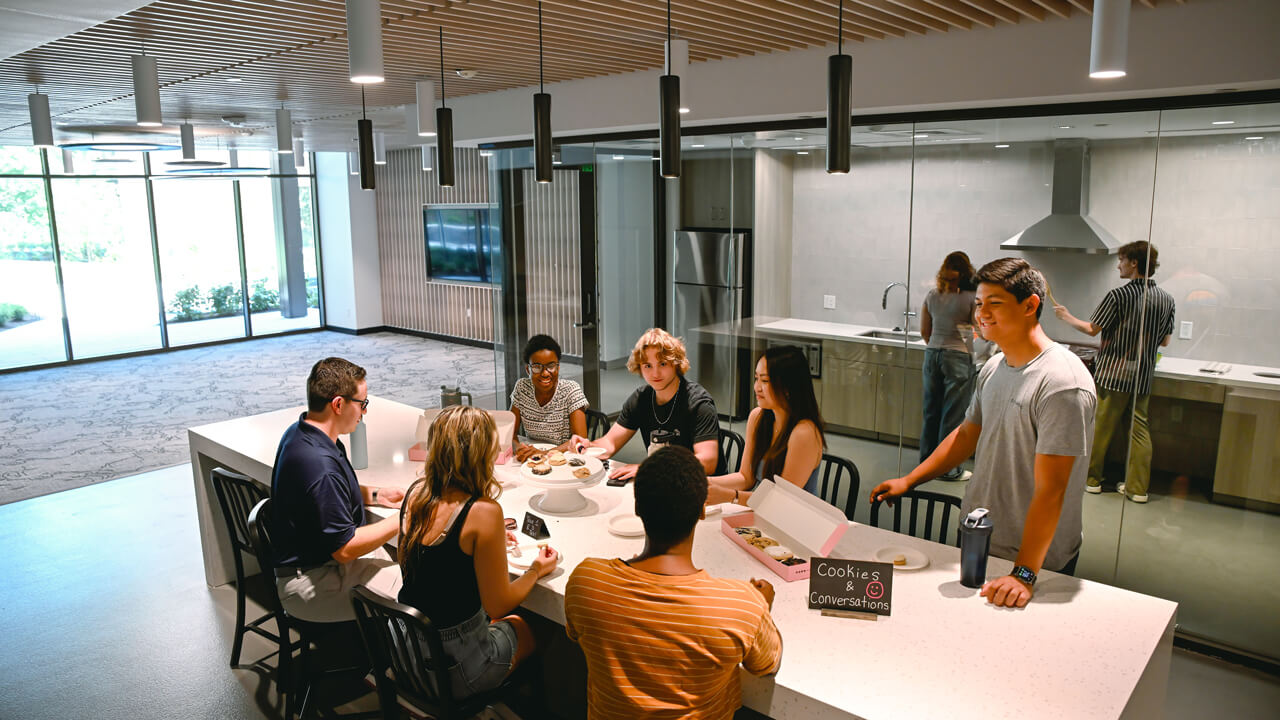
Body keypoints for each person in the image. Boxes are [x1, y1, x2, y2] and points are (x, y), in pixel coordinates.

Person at [870, 258, 1096, 609]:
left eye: (995, 304)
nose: (982, 313)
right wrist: (911, 480)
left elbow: (1052, 490)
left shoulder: (1062, 383)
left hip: (1034, 561)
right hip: (981, 537)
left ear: (1030, 306)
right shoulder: (995, 366)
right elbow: (965, 435)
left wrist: (1024, 573)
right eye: (979, 303)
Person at [564, 446, 782, 719]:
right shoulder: (741, 605)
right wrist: (762, 607)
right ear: (703, 510)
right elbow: (768, 665)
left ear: (637, 507)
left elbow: (575, 633)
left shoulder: (587, 582)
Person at [397, 405, 559, 699]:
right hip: (454, 668)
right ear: (480, 453)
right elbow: (499, 605)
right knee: (529, 626)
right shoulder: (483, 512)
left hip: (407, 655)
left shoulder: (415, 494)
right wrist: (537, 569)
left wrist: (488, 542)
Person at [269, 357, 405, 622]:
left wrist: (377, 495)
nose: (364, 412)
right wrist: (404, 518)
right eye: (362, 404)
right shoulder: (319, 466)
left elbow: (329, 495)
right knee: (417, 591)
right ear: (339, 404)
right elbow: (344, 549)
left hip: (318, 564)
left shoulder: (305, 430)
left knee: (408, 569)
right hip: (313, 581)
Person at [1055, 241, 1175, 503]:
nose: (1118, 265)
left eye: (1121, 260)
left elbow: (1092, 330)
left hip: (1113, 374)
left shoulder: (1118, 296)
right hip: (1142, 376)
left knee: (1101, 428)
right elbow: (1164, 341)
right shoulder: (1167, 299)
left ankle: (1092, 480)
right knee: (1139, 431)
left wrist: (1066, 316)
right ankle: (1137, 489)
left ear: (1134, 263)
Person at [571, 328, 719, 480]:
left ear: (676, 364)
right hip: (663, 480)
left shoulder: (698, 403)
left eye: (662, 364)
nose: (655, 374)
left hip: (702, 487)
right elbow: (610, 443)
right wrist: (587, 446)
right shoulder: (641, 398)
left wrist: (650, 468)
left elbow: (708, 462)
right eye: (648, 366)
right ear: (640, 368)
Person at [706, 345, 825, 506]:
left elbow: (782, 500)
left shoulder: (804, 433)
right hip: (762, 513)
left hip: (796, 522)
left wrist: (730, 496)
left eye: (765, 380)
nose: (757, 387)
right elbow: (745, 478)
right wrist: (703, 481)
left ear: (788, 387)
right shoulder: (758, 417)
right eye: (756, 379)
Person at [919, 251, 978, 482]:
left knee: (931, 411)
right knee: (953, 416)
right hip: (959, 356)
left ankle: (926, 463)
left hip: (932, 354)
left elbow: (925, 331)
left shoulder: (932, 295)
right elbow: (975, 332)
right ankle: (947, 469)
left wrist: (938, 346)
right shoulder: (971, 298)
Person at [509, 334, 589, 461]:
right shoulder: (522, 388)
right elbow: (510, 433)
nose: (545, 373)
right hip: (532, 458)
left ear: (558, 367)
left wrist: (544, 453)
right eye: (536, 367)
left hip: (563, 458)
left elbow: (580, 439)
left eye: (551, 366)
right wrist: (519, 448)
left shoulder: (570, 390)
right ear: (528, 370)